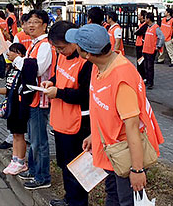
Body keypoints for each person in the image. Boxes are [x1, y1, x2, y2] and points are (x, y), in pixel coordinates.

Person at [65, 23, 164, 206]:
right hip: (111, 150)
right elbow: (105, 111)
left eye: (76, 44)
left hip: (126, 154)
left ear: (87, 53)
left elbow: (132, 127)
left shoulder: (122, 79)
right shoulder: (98, 66)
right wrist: (95, 135)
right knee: (112, 194)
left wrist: (137, 170)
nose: (74, 46)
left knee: (125, 201)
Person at [42, 21, 92, 206]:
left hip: (77, 122)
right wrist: (51, 83)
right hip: (60, 119)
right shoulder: (62, 56)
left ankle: (77, 202)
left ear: (74, 41)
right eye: (56, 48)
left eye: (62, 47)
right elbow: (58, 75)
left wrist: (59, 93)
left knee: (76, 167)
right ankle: (68, 198)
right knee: (64, 164)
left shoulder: (86, 62)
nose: (59, 52)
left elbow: (85, 95)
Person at [0, 43, 37, 175]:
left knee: (19, 134)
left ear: (19, 54)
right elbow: (9, 90)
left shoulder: (24, 69)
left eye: (11, 51)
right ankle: (15, 159)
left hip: (20, 106)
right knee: (14, 133)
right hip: (11, 105)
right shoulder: (11, 69)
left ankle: (21, 161)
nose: (8, 54)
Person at [17, 10, 53, 190]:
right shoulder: (34, 44)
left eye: (36, 22)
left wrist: (18, 61)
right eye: (29, 21)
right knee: (33, 138)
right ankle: (33, 169)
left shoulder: (45, 45)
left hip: (40, 100)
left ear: (45, 25)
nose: (31, 25)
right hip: (32, 98)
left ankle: (42, 176)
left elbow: (37, 70)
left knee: (39, 140)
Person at [142, 13, 165, 90]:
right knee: (146, 67)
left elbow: (162, 37)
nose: (144, 20)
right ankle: (148, 81)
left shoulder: (156, 28)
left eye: (145, 18)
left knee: (150, 67)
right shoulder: (148, 27)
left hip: (151, 51)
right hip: (145, 50)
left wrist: (158, 46)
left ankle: (150, 83)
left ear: (148, 19)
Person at [134, 10, 148, 80]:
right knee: (138, 60)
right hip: (138, 44)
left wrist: (136, 31)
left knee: (141, 61)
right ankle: (140, 75)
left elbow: (138, 32)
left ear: (142, 16)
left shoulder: (145, 25)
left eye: (139, 15)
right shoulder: (140, 24)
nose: (138, 16)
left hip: (141, 45)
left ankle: (143, 76)